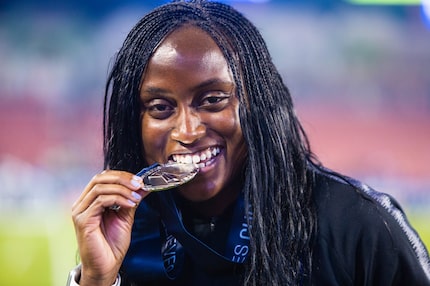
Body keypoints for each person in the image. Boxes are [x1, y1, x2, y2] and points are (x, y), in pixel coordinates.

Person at [68, 1, 430, 285]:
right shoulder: (128, 236)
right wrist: (97, 282)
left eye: (213, 100)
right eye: (160, 107)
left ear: (258, 104)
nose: (188, 131)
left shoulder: (358, 226)